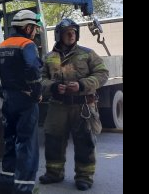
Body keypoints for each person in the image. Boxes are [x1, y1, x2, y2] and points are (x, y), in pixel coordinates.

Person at [38, 18, 109, 191]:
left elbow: (103, 74)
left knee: (85, 142)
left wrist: (82, 85)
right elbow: (39, 80)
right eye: (67, 32)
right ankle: (54, 173)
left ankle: (84, 177)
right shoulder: (49, 58)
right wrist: (53, 87)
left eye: (74, 32)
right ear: (58, 35)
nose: (71, 35)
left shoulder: (88, 53)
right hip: (57, 107)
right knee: (53, 140)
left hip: (83, 107)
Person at [0, 9, 43, 194]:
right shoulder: (27, 44)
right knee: (27, 145)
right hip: (25, 102)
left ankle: (7, 188)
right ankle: (24, 190)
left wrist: (2, 93)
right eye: (35, 28)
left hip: (9, 101)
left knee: (10, 143)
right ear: (28, 27)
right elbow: (32, 68)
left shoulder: (3, 45)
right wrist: (36, 93)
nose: (35, 32)